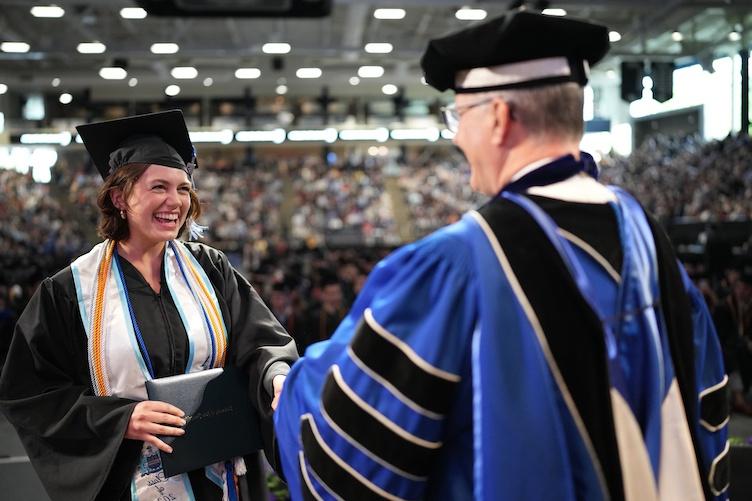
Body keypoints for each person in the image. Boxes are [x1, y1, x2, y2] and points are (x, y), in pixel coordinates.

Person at [274, 11, 729, 501]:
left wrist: (290, 392)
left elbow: (353, 454)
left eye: (458, 117)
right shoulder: (650, 243)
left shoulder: (458, 263)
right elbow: (706, 422)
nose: (455, 136)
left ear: (498, 118)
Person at [0, 110, 298, 501]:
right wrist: (120, 419)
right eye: (159, 187)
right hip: (133, 481)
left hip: (222, 475)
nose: (175, 201)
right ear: (119, 196)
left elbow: (261, 343)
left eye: (183, 188)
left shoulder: (211, 269)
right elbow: (31, 394)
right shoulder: (71, 291)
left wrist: (276, 376)